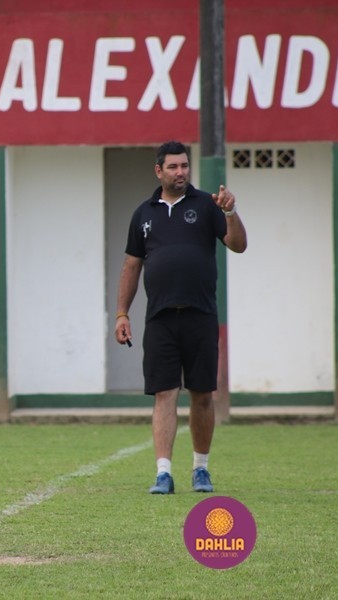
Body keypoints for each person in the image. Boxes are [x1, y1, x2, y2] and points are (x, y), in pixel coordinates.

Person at [114, 141, 247, 495]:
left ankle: (201, 469)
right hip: (160, 318)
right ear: (159, 171)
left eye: (184, 165)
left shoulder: (207, 205)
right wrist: (122, 313)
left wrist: (231, 213)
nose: (181, 172)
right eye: (173, 167)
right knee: (164, 393)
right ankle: (163, 474)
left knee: (202, 395)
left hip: (201, 315)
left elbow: (238, 245)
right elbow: (131, 266)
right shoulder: (143, 214)